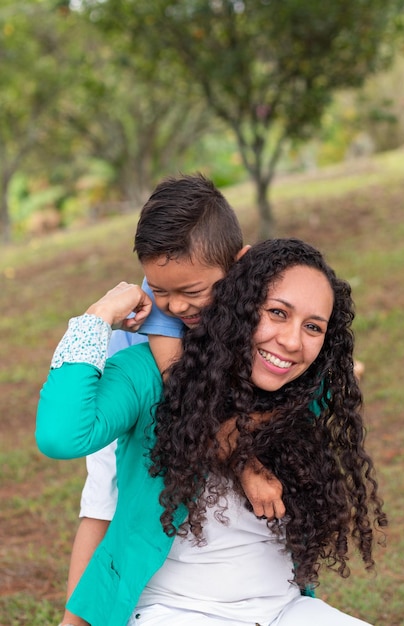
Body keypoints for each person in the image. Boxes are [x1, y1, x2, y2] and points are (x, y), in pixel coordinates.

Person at [36, 238, 387, 626]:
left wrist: (240, 450)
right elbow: (61, 435)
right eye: (276, 312)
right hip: (172, 611)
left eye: (313, 327)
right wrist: (97, 316)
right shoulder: (147, 375)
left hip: (284, 609)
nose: (291, 342)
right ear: (238, 302)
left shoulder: (301, 388)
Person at [59, 174, 284, 626]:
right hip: (139, 397)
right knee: (105, 504)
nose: (176, 306)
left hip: (198, 395)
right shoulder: (166, 310)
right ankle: (76, 620)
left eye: (191, 293)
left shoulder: (254, 287)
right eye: (160, 291)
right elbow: (181, 392)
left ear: (237, 266)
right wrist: (246, 466)